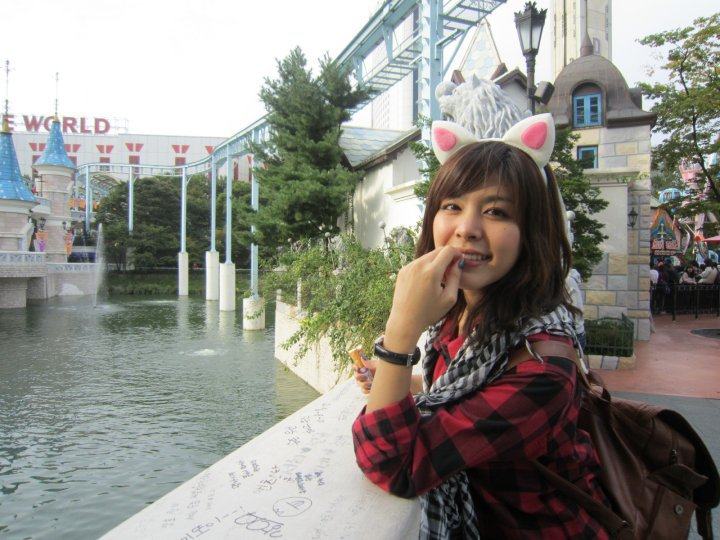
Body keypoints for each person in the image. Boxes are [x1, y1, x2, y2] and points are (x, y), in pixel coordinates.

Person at [352, 114, 610, 538]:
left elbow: (392, 464)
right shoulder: (465, 317)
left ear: (532, 232)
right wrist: (398, 379)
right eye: (452, 206)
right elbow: (464, 391)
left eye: (495, 211)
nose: (466, 229)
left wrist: (400, 332)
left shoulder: (542, 368)